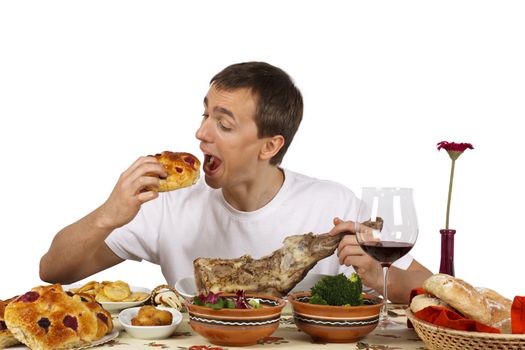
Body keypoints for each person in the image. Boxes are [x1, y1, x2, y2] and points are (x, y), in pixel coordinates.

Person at [39, 62, 431, 303]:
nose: (200, 133)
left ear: (269, 145)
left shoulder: (331, 202)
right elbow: (54, 270)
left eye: (223, 124)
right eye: (205, 115)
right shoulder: (167, 203)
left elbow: (430, 290)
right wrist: (108, 215)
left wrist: (377, 275)